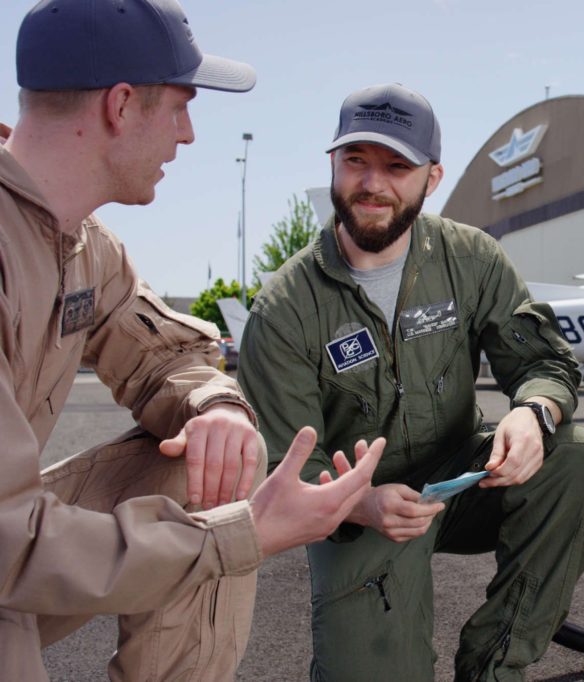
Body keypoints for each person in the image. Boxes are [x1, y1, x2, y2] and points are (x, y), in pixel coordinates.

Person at [0, 2, 382, 680]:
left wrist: (217, 409)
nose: (188, 135)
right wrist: (243, 536)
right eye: (180, 106)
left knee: (207, 468)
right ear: (121, 105)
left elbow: (168, 356)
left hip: (18, 546)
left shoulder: (86, 248)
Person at [238, 82, 584, 681]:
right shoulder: (284, 308)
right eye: (355, 161)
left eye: (397, 166)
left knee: (575, 457)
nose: (372, 184)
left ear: (431, 178)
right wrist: (360, 502)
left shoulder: (471, 259)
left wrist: (534, 412)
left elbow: (546, 363)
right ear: (332, 165)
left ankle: (494, 667)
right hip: (353, 510)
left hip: (462, 481)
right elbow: (284, 469)